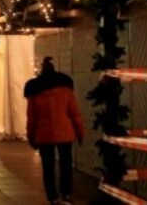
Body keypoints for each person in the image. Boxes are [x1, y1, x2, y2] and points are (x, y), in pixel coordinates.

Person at [24, 57, 85, 205]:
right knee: (66, 165)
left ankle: (52, 197)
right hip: (65, 133)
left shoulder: (35, 91)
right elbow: (74, 113)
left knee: (48, 167)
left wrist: (31, 136)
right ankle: (67, 195)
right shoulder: (66, 90)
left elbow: (32, 118)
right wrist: (80, 132)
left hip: (44, 135)